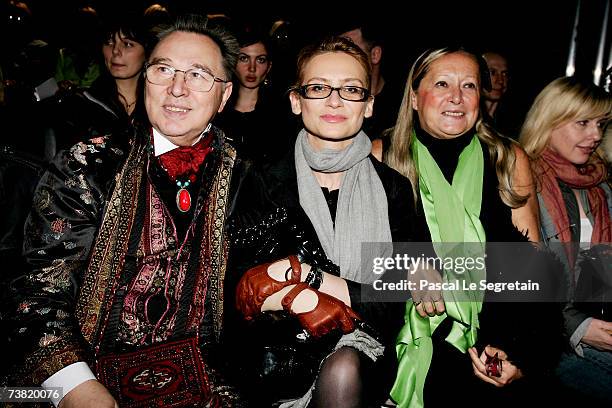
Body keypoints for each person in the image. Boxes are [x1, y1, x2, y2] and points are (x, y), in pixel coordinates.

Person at [5, 14, 245, 407]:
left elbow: (300, 263)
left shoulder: (245, 176)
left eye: (198, 75)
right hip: (88, 369)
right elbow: (36, 291)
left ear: (224, 95)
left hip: (205, 378)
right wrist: (75, 386)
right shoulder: (89, 164)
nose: (177, 88)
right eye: (163, 69)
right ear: (145, 79)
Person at [228, 36, 427, 407]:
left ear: (368, 106)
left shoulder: (393, 189)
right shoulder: (259, 178)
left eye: (351, 90)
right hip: (277, 355)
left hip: (364, 349)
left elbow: (392, 301)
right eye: (319, 88)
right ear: (295, 100)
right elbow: (240, 286)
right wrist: (302, 294)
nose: (334, 100)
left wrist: (308, 276)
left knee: (344, 367)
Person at [381, 47, 563, 407]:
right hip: (399, 331)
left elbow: (530, 269)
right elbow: (355, 261)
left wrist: (516, 351)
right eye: (442, 84)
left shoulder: (508, 158)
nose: (456, 97)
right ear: (415, 97)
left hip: (488, 335)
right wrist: (408, 265)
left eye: (469, 86)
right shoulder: (382, 155)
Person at [519, 76, 612, 404]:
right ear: (549, 120)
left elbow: (600, 278)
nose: (596, 135)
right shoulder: (521, 180)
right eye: (583, 123)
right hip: (545, 340)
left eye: (601, 124)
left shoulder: (598, 186)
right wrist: (578, 326)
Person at [50, 13, 150, 153]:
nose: (115, 51)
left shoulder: (160, 105)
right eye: (109, 42)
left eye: (127, 44)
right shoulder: (81, 105)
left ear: (147, 52)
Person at [214, 25, 292, 165]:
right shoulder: (215, 108)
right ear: (233, 62)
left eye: (260, 60)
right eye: (244, 58)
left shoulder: (282, 114)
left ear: (269, 66)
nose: (252, 68)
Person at [339, 18, 404, 140]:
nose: (341, 57)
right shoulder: (335, 100)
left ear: (375, 55)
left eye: (350, 48)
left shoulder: (402, 107)